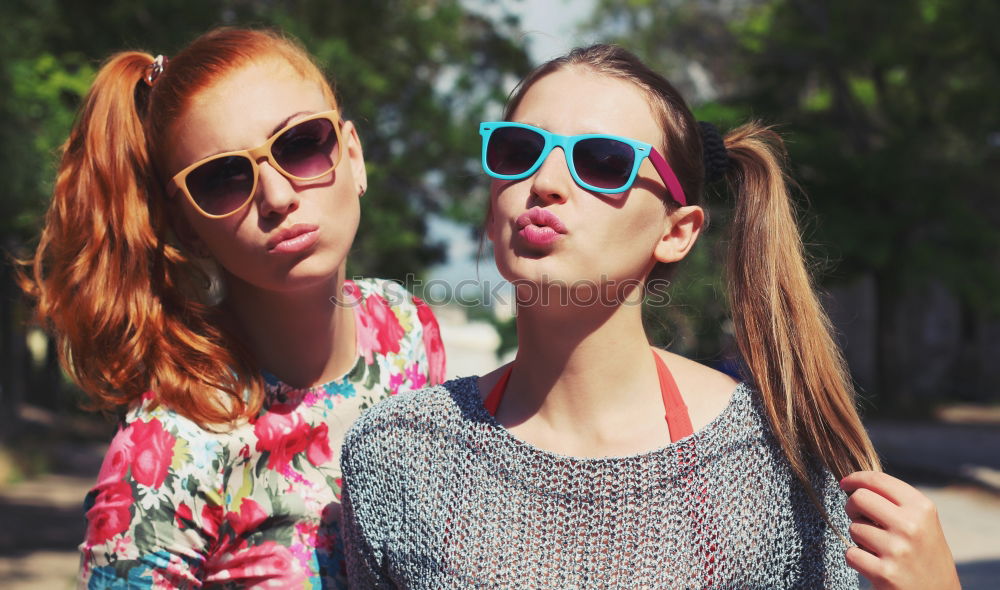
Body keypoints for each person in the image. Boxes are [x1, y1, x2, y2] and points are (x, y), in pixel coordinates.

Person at [339, 44, 960, 589]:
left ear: (678, 231)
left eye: (603, 161)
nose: (546, 180)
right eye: (519, 149)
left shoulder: (778, 462)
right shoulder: (398, 452)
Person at [18, 27, 446, 588]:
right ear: (188, 228)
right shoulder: (167, 455)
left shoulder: (409, 328)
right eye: (222, 178)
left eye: (300, 143)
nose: (277, 196)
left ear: (354, 157)